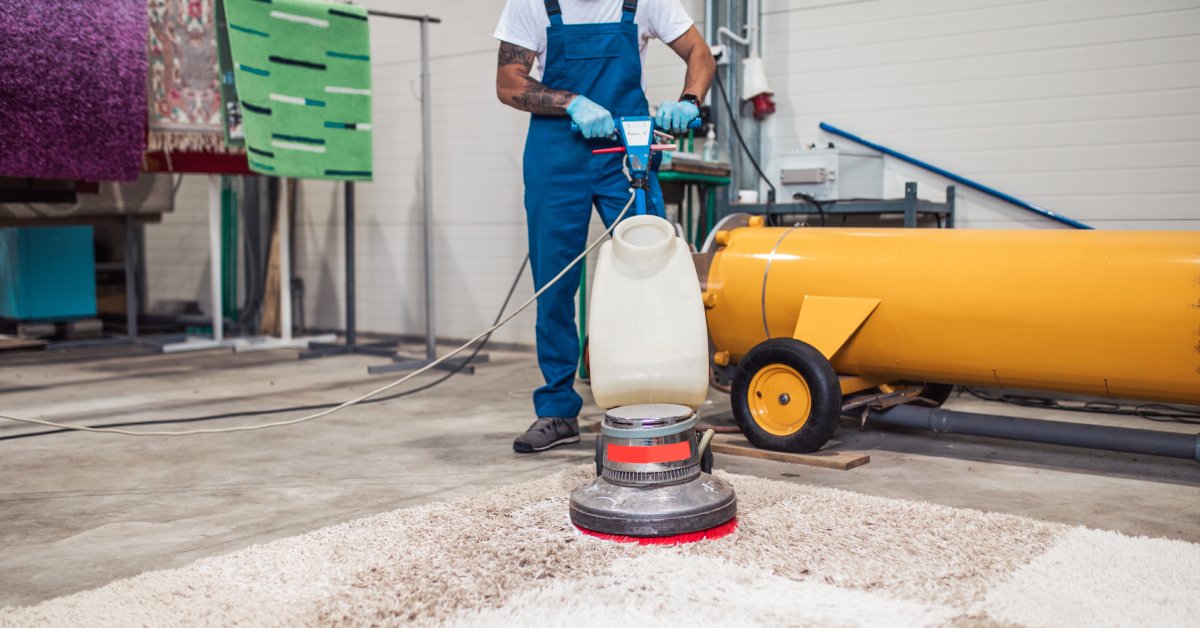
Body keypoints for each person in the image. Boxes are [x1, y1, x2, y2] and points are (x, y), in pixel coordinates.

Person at [494, 0, 716, 452]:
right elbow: (508, 83)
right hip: (557, 157)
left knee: (653, 273)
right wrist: (569, 100)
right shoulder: (532, 3)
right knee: (555, 283)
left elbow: (700, 54)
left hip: (625, 151)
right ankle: (557, 410)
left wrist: (689, 102)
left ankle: (662, 405)